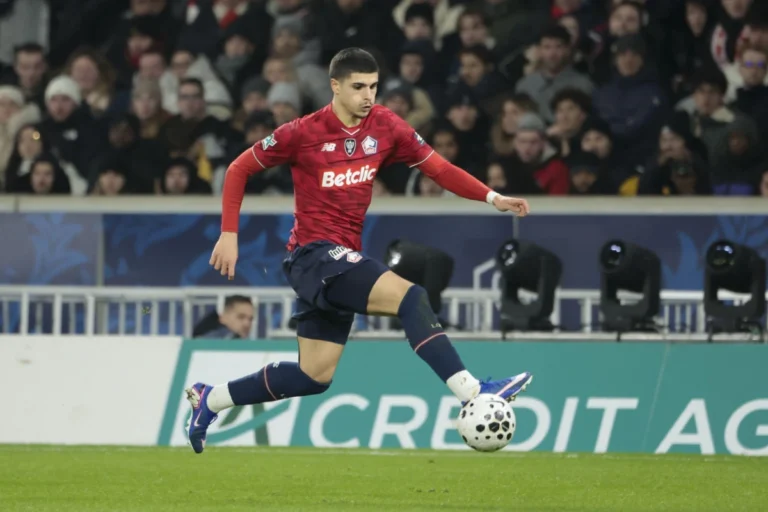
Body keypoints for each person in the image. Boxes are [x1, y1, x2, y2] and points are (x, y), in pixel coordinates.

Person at [184, 48, 533, 454]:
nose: (368, 96)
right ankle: (473, 392)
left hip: (339, 259)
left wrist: (492, 197)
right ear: (335, 86)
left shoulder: (387, 126)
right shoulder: (302, 132)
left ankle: (210, 399)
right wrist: (229, 234)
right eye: (358, 87)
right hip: (313, 255)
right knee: (412, 297)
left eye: (373, 86)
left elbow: (438, 168)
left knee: (313, 376)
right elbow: (238, 168)